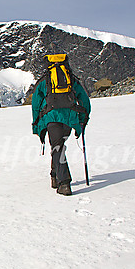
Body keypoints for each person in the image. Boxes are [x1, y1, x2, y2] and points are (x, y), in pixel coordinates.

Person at [31, 53, 91, 195]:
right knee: (58, 146)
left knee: (57, 148)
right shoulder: (71, 79)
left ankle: (64, 183)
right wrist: (83, 118)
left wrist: (36, 123)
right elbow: (84, 99)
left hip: (52, 118)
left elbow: (35, 104)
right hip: (69, 118)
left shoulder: (44, 81)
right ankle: (54, 176)